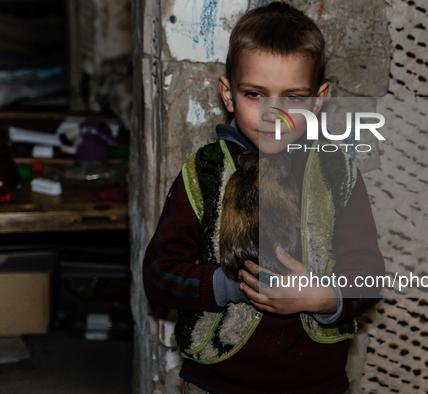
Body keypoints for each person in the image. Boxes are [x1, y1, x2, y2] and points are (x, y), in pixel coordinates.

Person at [143, 3, 384, 393]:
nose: (274, 114)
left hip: (317, 383)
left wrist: (325, 297)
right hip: (215, 382)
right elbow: (158, 275)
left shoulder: (337, 172)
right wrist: (226, 286)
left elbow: (370, 273)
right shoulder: (202, 173)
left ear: (318, 100)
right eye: (255, 94)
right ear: (228, 94)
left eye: (293, 98)